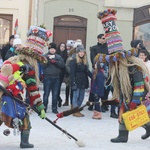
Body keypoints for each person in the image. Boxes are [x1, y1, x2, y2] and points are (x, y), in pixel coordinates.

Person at [96, 8, 150, 143]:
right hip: (126, 95)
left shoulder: (133, 66)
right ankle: (123, 135)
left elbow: (139, 85)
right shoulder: (118, 67)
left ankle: (145, 127)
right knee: (126, 113)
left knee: (136, 113)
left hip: (137, 95)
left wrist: (135, 100)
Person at [0, 25, 51, 148]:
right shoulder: (28, 67)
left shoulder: (12, 59)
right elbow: (32, 90)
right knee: (25, 118)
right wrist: (40, 107)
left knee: (2, 116)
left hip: (5, 94)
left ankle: (24, 142)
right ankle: (24, 142)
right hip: (12, 96)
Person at [42, 42, 65, 114]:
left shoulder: (58, 57)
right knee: (46, 94)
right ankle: (44, 107)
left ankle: (54, 108)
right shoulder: (45, 56)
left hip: (56, 77)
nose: (52, 50)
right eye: (51, 49)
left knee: (55, 94)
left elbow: (62, 65)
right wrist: (47, 61)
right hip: (47, 77)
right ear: (49, 49)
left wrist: (55, 62)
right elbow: (43, 65)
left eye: (53, 49)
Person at [70, 44, 92, 117]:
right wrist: (73, 82)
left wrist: (93, 77)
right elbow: (72, 73)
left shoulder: (84, 61)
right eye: (80, 52)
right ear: (77, 53)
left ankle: (77, 109)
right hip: (76, 80)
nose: (81, 53)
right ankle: (75, 111)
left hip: (83, 80)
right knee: (76, 96)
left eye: (83, 52)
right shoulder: (73, 61)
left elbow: (87, 71)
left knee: (81, 97)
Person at [56, 42, 68, 107]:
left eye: (63, 47)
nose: (62, 48)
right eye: (61, 46)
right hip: (55, 73)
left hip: (62, 73)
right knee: (55, 88)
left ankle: (58, 99)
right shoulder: (56, 54)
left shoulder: (66, 55)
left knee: (58, 87)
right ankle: (58, 99)